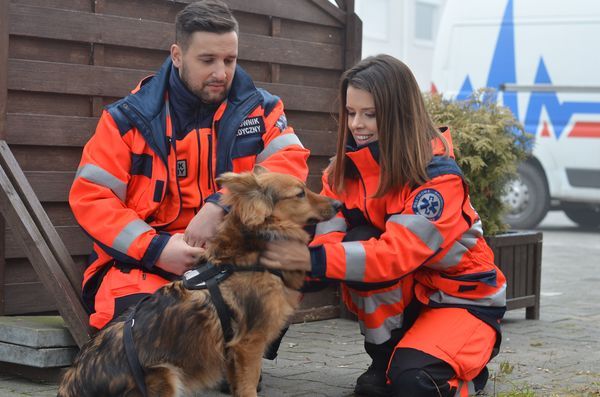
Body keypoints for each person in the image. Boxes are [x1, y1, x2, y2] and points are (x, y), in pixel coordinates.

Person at [260, 54, 507, 397]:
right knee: (354, 241)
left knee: (414, 386)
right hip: (410, 297)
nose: (357, 124)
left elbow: (394, 256)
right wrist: (272, 292)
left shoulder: (438, 180)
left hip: (461, 299)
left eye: (370, 114)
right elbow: (325, 243)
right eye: (351, 113)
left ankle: (469, 375)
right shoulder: (343, 174)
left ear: (399, 114)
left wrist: (306, 261)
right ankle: (385, 359)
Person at [69, 0, 309, 332]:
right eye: (207, 60)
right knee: (144, 337)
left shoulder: (262, 110)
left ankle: (227, 352)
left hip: (225, 258)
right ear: (177, 56)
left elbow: (290, 166)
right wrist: (157, 248)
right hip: (143, 264)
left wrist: (222, 204)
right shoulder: (126, 120)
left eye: (230, 60)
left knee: (282, 268)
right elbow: (92, 199)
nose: (221, 73)